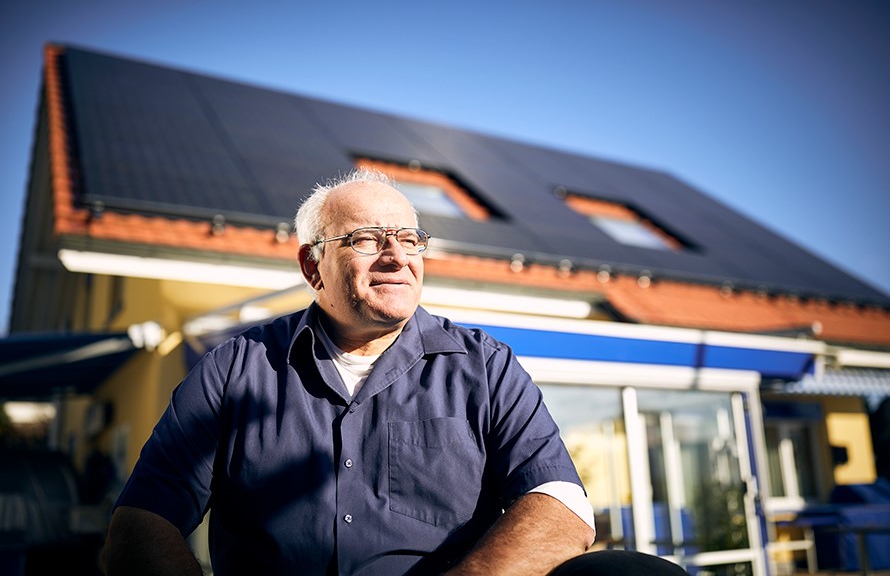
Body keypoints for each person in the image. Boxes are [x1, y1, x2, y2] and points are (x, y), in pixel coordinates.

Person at [101, 169, 685, 576]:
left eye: (409, 239)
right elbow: (142, 522)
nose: (396, 255)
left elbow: (560, 504)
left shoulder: (484, 366)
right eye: (365, 239)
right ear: (313, 265)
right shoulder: (235, 370)